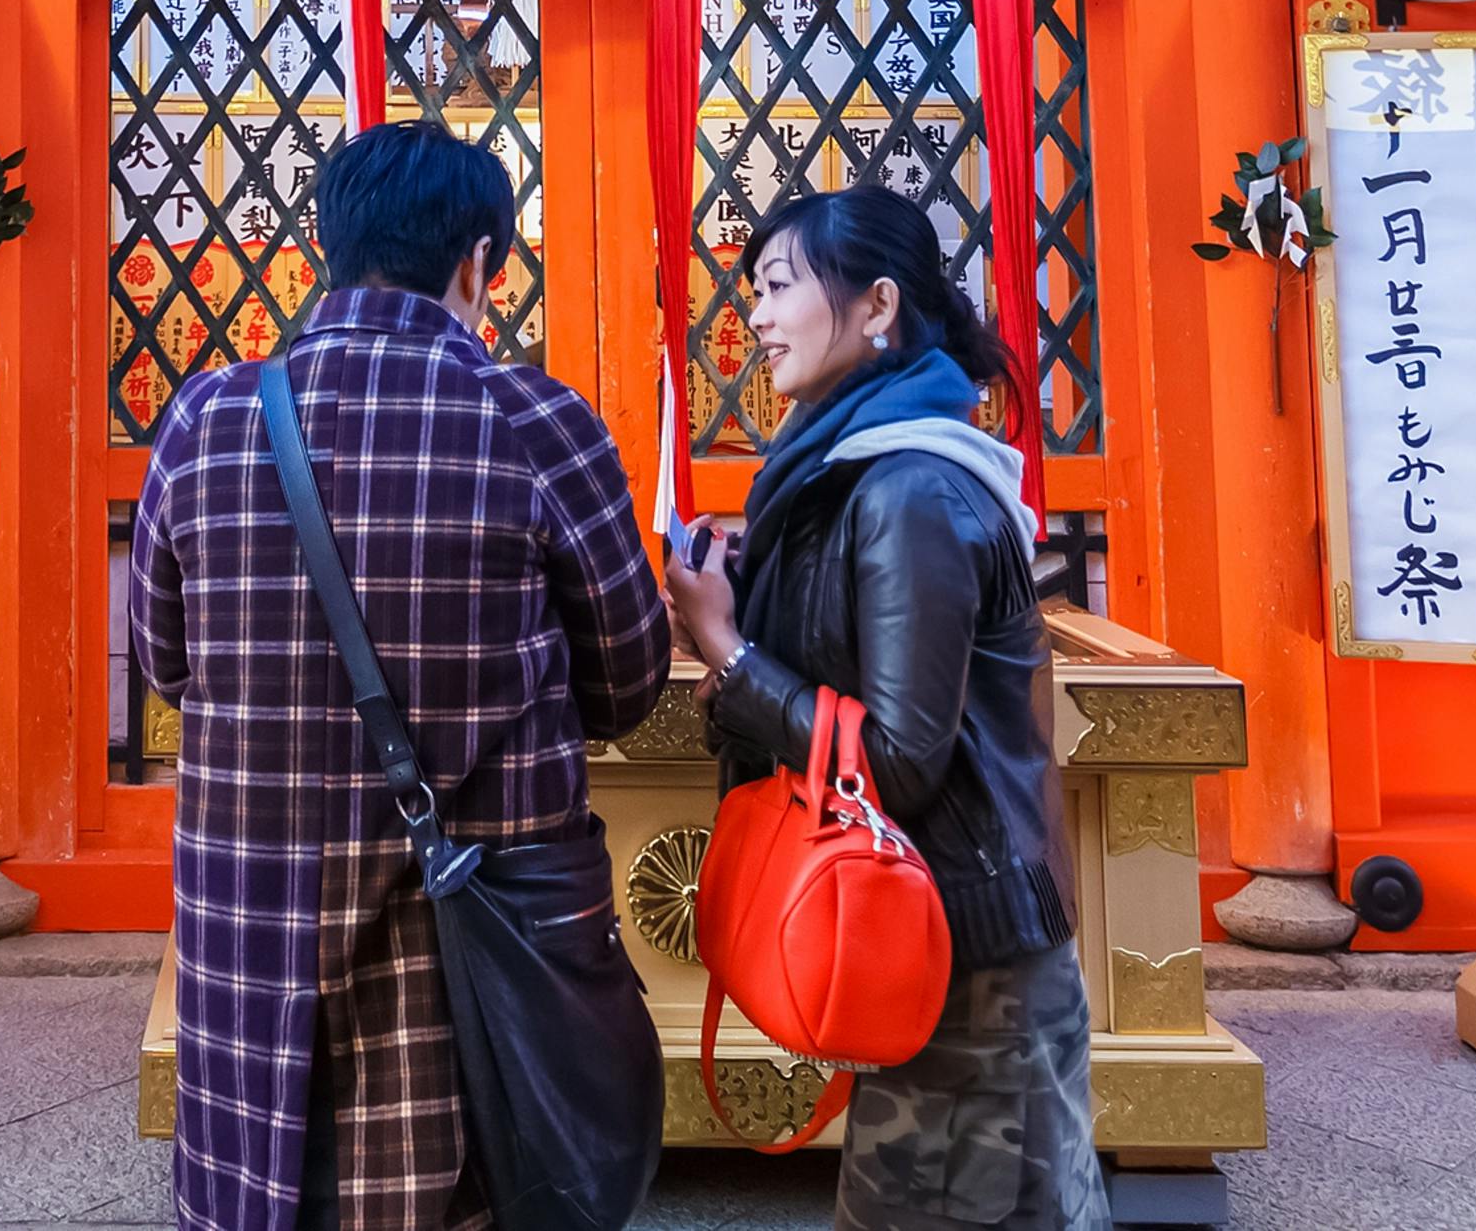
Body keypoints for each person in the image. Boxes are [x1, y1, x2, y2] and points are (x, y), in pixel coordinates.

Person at [131, 120, 671, 1231]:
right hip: (473, 927)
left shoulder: (207, 419)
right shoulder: (537, 422)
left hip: (256, 915)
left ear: (330, 243)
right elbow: (629, 683)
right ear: (478, 261)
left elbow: (165, 664)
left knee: (267, 1182)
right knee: (463, 1186)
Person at [662, 185, 1106, 1231]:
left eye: (779, 286)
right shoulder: (850, 469)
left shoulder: (909, 489)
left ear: (876, 307)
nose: (756, 317)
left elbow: (902, 760)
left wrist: (725, 645)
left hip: (971, 955)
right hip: (933, 941)